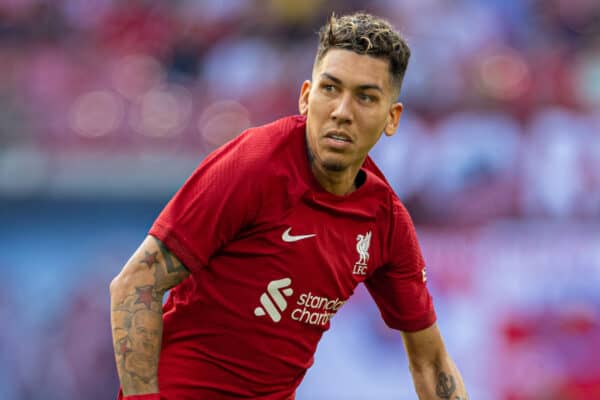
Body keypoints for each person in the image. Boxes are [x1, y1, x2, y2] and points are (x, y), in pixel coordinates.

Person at [110, 12, 469, 400]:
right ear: (305, 97)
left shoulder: (384, 220)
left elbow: (430, 362)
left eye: (365, 97)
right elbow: (136, 283)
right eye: (330, 89)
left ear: (392, 118)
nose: (342, 111)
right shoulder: (254, 165)